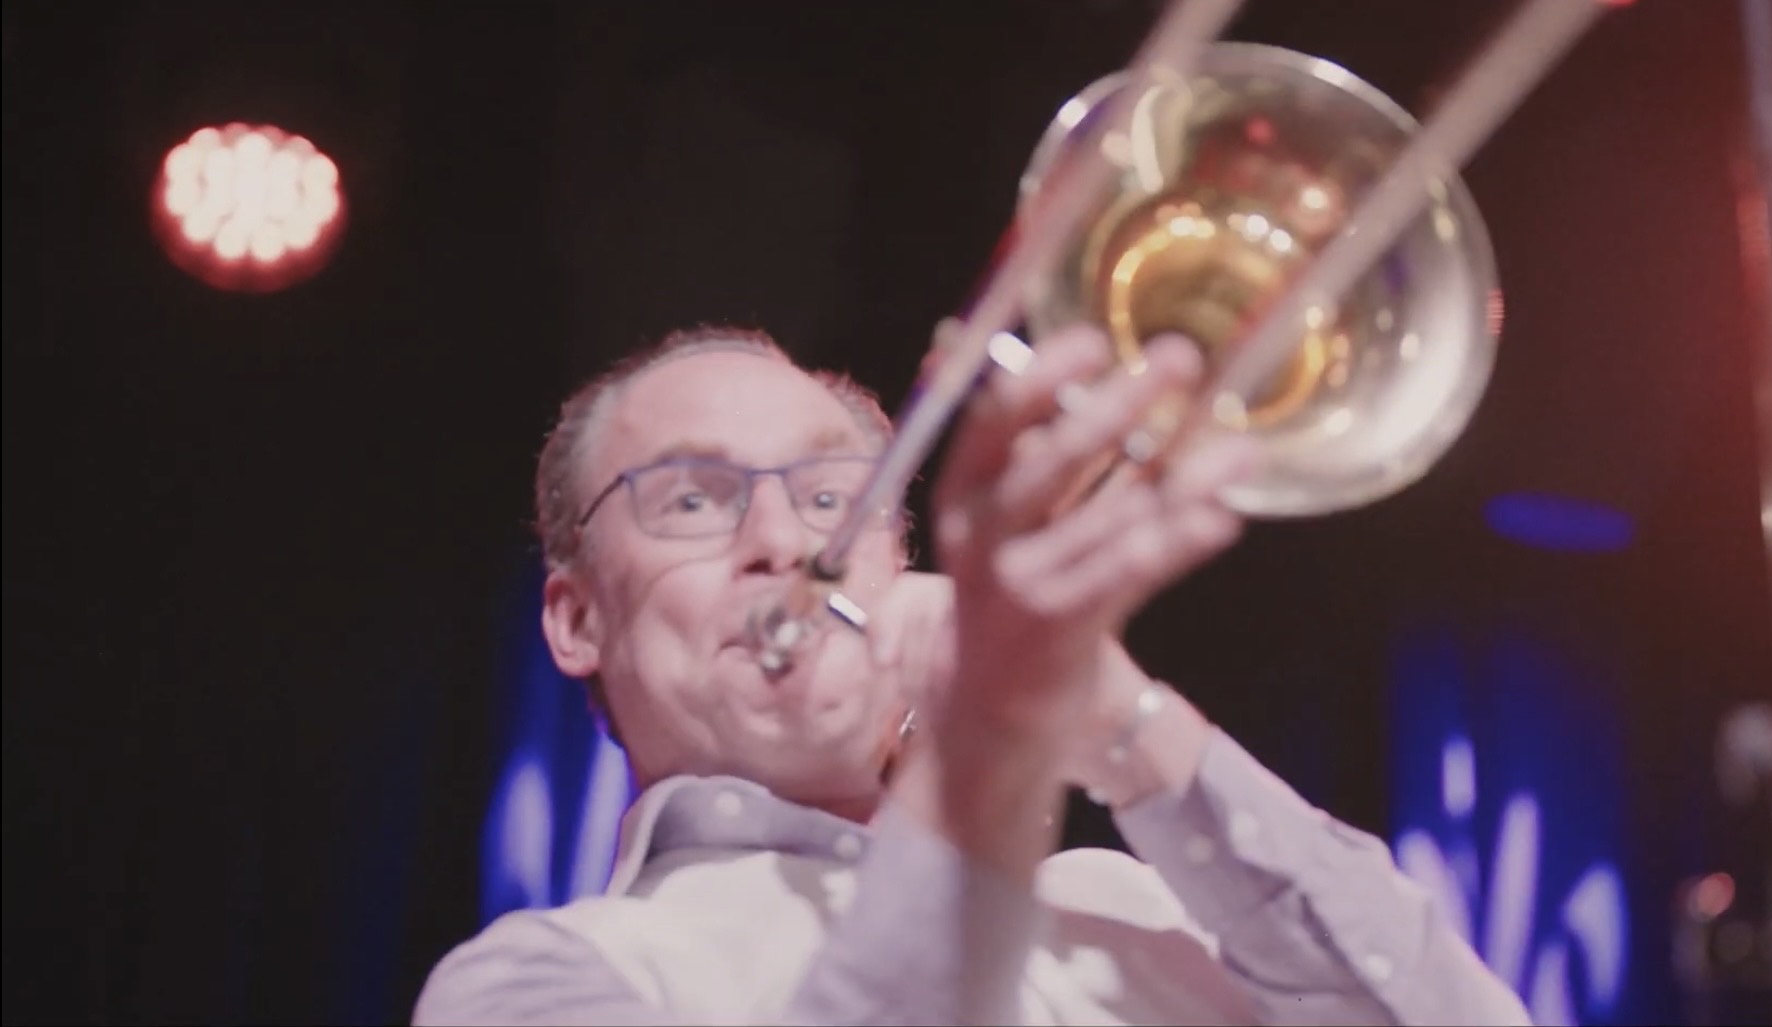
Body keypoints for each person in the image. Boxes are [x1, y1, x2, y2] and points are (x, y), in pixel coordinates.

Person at [412, 322, 1530, 1026]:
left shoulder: (1140, 900)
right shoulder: (532, 981)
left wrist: (1124, 720)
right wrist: (990, 748)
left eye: (829, 499)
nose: (781, 539)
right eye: (694, 500)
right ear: (575, 618)